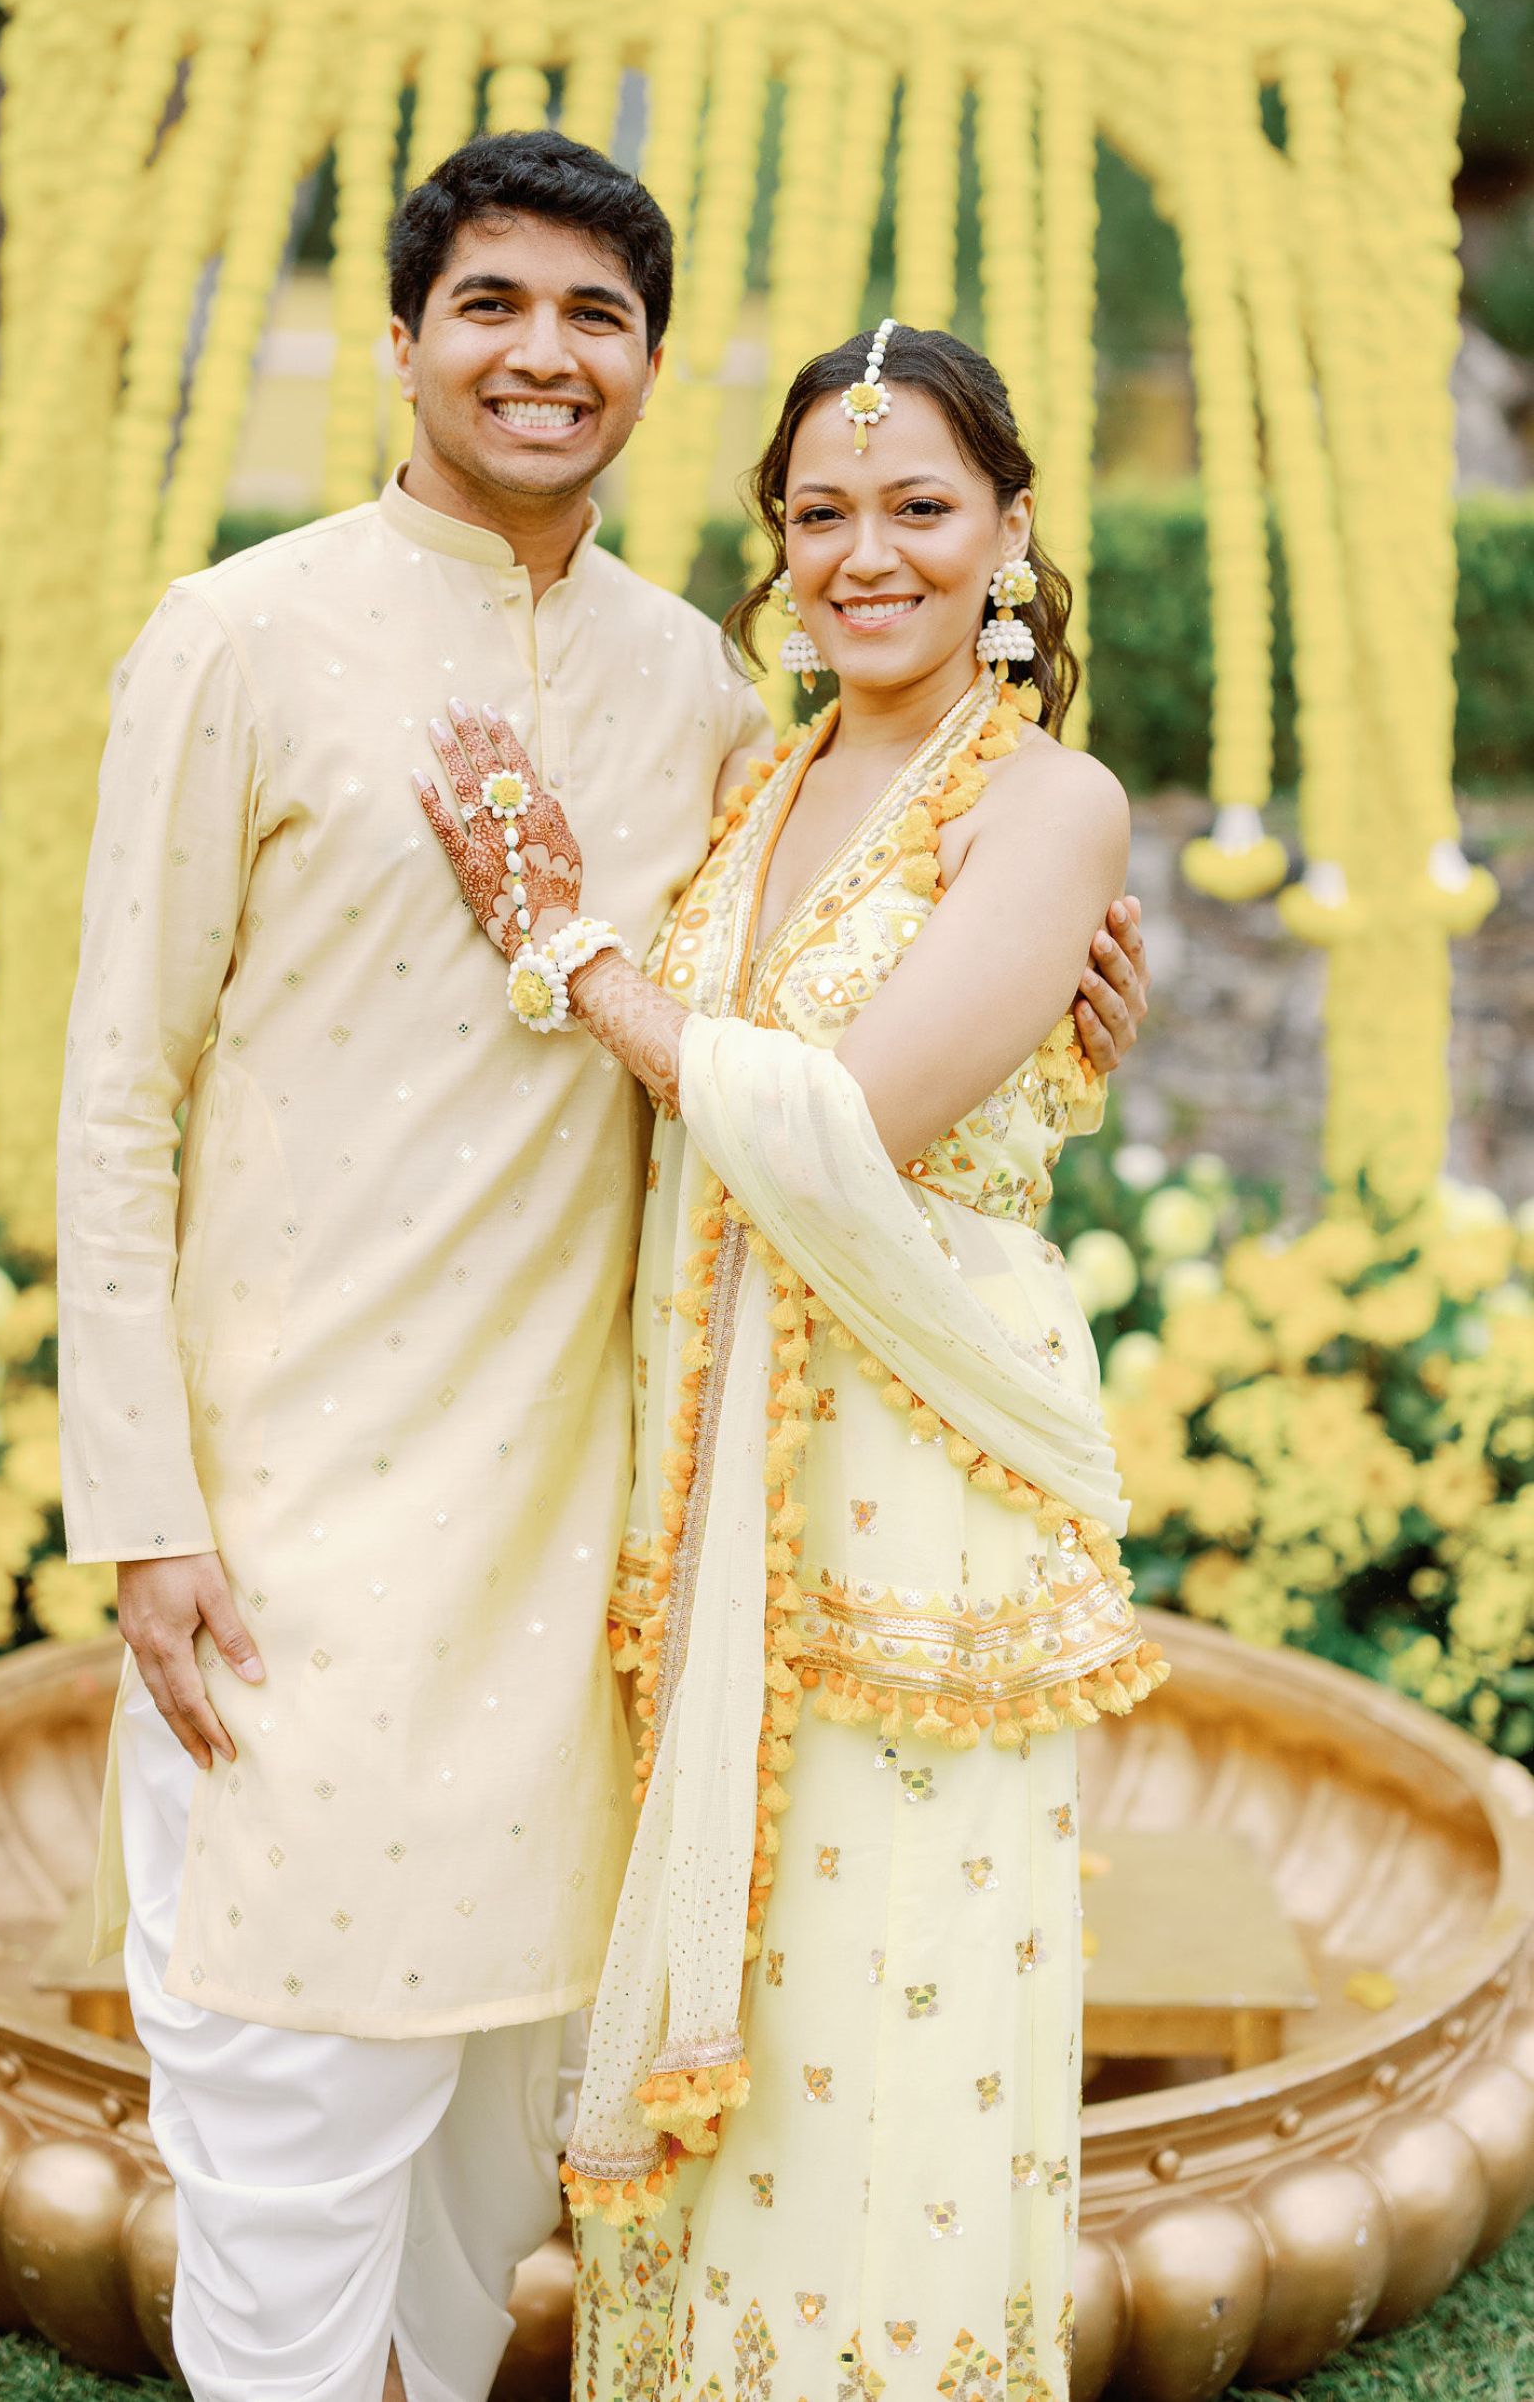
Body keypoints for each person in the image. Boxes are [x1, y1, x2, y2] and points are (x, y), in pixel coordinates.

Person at [55, 135, 1151, 2402]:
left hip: (610, 1555)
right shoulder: (237, 636)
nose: (543, 354)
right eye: (492, 304)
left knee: (502, 2185)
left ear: (649, 368)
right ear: (401, 340)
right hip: (297, 1525)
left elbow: (830, 1052)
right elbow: (117, 1100)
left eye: (597, 317)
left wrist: (1059, 1020)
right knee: (284, 2115)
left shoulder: (705, 704)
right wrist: (143, 1506)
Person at [419, 317, 1169, 2399]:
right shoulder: (770, 781)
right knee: (750, 1993)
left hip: (918, 1499)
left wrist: (568, 949)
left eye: (920, 506)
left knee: (893, 1996)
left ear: (1009, 530)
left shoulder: (1050, 805)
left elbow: (845, 1123)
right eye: (821, 512)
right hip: (726, 1470)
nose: (867, 554)